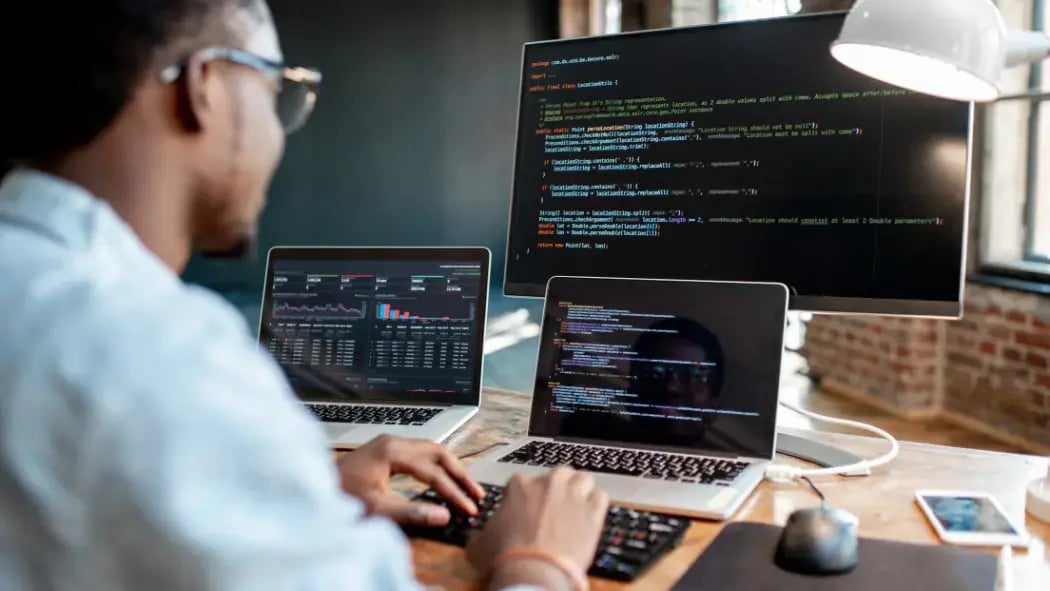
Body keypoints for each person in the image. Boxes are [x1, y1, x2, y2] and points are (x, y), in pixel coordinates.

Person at [0, 2, 608, 590]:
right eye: (277, 91)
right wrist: (539, 562)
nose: (279, 133)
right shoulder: (166, 356)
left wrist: (291, 489)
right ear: (203, 85)